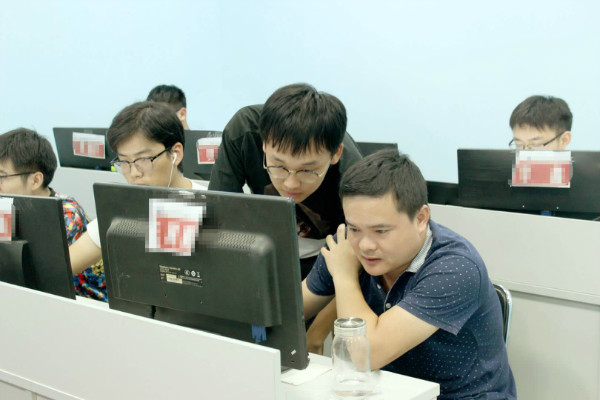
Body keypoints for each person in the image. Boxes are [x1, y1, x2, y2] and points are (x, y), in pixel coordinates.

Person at [303, 149, 517, 399]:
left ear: (421, 218)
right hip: (387, 392)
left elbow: (368, 354)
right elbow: (288, 313)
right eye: (354, 228)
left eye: (381, 231)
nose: (365, 245)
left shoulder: (456, 268)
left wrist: (344, 276)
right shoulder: (347, 246)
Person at [209, 83, 362, 277]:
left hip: (326, 259)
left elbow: (357, 257)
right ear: (264, 143)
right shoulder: (244, 132)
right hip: (260, 253)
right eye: (279, 166)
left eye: (307, 171)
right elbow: (219, 215)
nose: (291, 184)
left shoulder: (354, 179)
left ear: (335, 154)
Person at [69, 101, 206, 276]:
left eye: (143, 160)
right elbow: (66, 265)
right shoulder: (122, 209)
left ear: (175, 153)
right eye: (124, 162)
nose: (134, 173)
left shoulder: (210, 206)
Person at [0, 128, 106, 300]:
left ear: (35, 180)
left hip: (84, 302)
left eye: (1, 177)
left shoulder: (67, 214)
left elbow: (45, 275)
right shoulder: (6, 205)